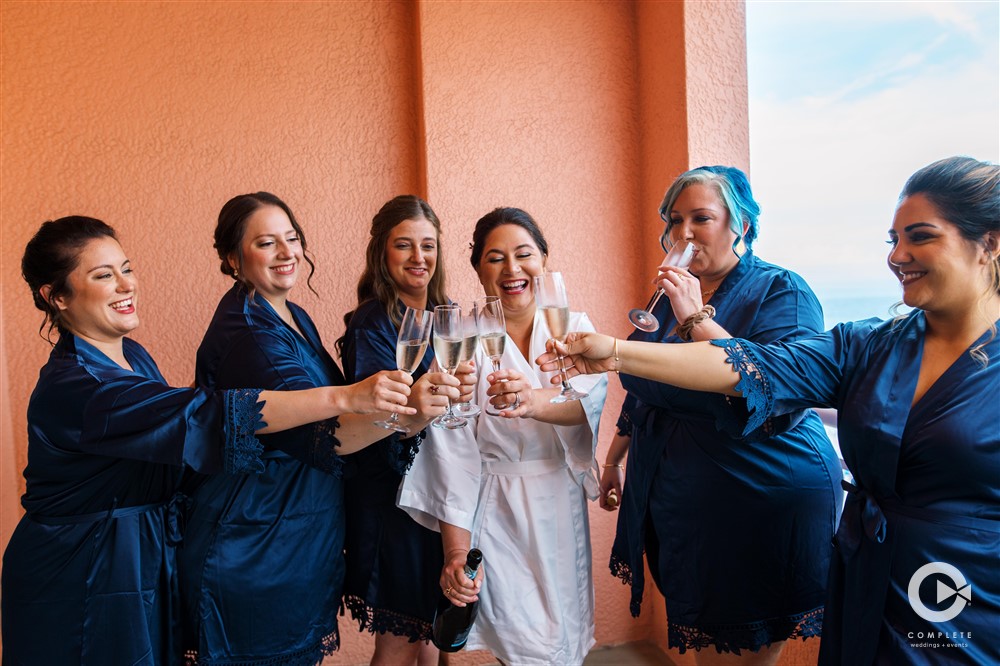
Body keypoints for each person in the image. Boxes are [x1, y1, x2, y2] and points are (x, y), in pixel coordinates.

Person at [540, 156, 1000, 665]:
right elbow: (761, 367)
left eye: (921, 237)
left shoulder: (781, 291)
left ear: (990, 243)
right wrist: (614, 356)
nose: (897, 256)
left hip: (958, 581)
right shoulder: (868, 345)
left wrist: (653, 336)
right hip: (869, 567)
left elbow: (764, 395)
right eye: (893, 240)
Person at [2, 216, 419, 665]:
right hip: (83, 567)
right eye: (104, 276)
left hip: (141, 558)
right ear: (57, 296)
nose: (126, 285)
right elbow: (201, 415)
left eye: (127, 268)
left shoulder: (132, 355)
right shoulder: (77, 385)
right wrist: (346, 396)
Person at [178, 193, 460, 666]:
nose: (287, 252)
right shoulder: (251, 337)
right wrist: (410, 414)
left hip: (298, 533)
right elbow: (329, 438)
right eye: (266, 243)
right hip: (256, 540)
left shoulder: (290, 314)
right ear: (233, 259)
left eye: (291, 238)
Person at [599, 166, 843, 663]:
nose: (684, 233)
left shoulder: (782, 291)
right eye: (675, 220)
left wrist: (694, 318)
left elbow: (773, 388)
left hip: (756, 499)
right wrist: (613, 458)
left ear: (742, 226)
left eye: (701, 218)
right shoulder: (671, 297)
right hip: (683, 506)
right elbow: (648, 385)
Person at [398, 207, 608, 665]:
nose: (512, 269)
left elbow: (587, 403)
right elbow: (450, 452)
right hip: (497, 514)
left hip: (559, 505)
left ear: (544, 258)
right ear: (478, 270)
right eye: (495, 258)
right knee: (521, 648)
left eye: (524, 254)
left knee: (564, 642)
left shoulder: (574, 327)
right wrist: (456, 551)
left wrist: (533, 400)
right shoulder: (461, 340)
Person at [335, 194, 458, 665]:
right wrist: (419, 407)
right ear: (382, 253)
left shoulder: (447, 315)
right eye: (404, 245)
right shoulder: (373, 323)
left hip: (442, 492)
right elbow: (378, 420)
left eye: (428, 245)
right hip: (394, 501)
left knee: (432, 632)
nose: (418, 257)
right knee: (399, 644)